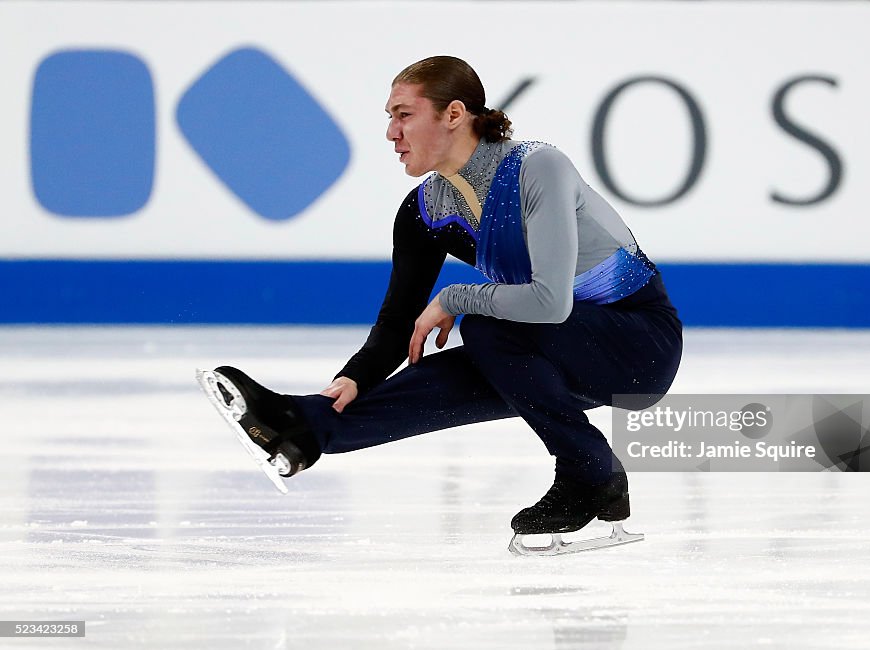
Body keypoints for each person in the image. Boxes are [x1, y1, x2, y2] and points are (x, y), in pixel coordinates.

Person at [203, 55, 683, 551]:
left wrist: (457, 296)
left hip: (636, 347)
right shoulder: (423, 212)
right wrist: (352, 377)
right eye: (390, 118)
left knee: (484, 327)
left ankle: (591, 472)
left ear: (454, 114)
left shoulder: (537, 167)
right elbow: (398, 323)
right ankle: (303, 428)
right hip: (545, 348)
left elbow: (550, 302)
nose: (392, 133)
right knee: (438, 380)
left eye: (403, 114)